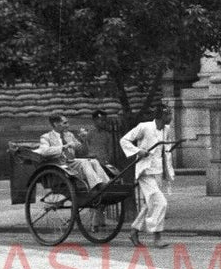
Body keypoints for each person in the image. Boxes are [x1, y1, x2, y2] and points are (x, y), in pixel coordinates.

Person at [121, 106, 175, 249]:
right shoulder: (144, 127)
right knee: (161, 203)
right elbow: (124, 140)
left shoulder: (166, 130)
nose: (171, 117)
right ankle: (157, 237)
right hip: (145, 172)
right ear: (162, 115)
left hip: (158, 171)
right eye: (169, 114)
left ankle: (134, 231)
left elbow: (166, 150)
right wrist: (138, 151)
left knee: (150, 204)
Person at [34, 113, 109, 194]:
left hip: (71, 163)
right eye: (65, 123)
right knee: (84, 162)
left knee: (93, 161)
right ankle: (95, 186)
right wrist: (64, 147)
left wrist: (84, 140)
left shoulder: (69, 135)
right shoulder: (46, 137)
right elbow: (44, 151)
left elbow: (82, 152)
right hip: (59, 165)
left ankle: (106, 184)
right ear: (56, 124)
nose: (68, 125)